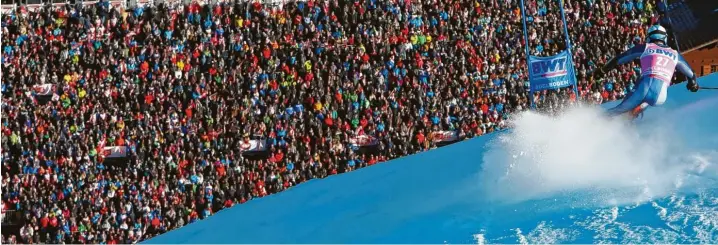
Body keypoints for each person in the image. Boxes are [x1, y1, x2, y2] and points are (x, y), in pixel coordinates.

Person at [592, 24, 700, 119]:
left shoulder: (646, 47)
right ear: (665, 38)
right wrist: (693, 84)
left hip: (643, 87)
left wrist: (602, 71)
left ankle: (595, 121)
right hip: (660, 96)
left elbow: (619, 59)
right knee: (647, 96)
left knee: (618, 109)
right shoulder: (675, 54)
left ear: (649, 37)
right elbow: (691, 74)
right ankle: (640, 107)